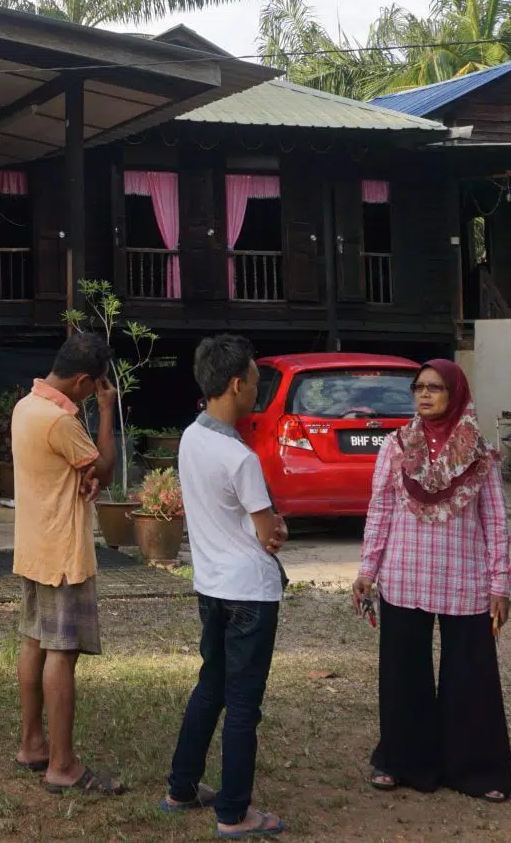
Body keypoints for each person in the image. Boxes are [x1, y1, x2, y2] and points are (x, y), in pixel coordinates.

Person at [350, 359, 511, 803]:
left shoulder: (480, 453)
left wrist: (499, 583)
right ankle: (401, 762)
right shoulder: (396, 446)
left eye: (435, 387)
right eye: (419, 387)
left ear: (455, 394)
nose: (424, 395)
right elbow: (380, 510)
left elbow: (496, 520)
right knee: (403, 674)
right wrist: (367, 570)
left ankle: (477, 769)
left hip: (465, 579)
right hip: (405, 576)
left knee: (470, 677)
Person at [164, 333, 288, 836]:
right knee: (242, 704)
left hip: (211, 585)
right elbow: (268, 532)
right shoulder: (241, 457)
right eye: (255, 381)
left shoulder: (191, 438)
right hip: (250, 591)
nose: (257, 390)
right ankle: (235, 812)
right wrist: (277, 527)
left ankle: (181, 787)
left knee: (210, 686)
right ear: (236, 384)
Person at [11, 331, 123, 796]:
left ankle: (32, 743)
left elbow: (75, 472)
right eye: (95, 386)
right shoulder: (60, 421)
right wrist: (107, 411)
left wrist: (85, 476)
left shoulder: (25, 407)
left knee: (34, 641)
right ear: (83, 382)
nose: (94, 393)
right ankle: (62, 765)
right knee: (62, 651)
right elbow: (104, 470)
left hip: (34, 547)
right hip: (63, 553)